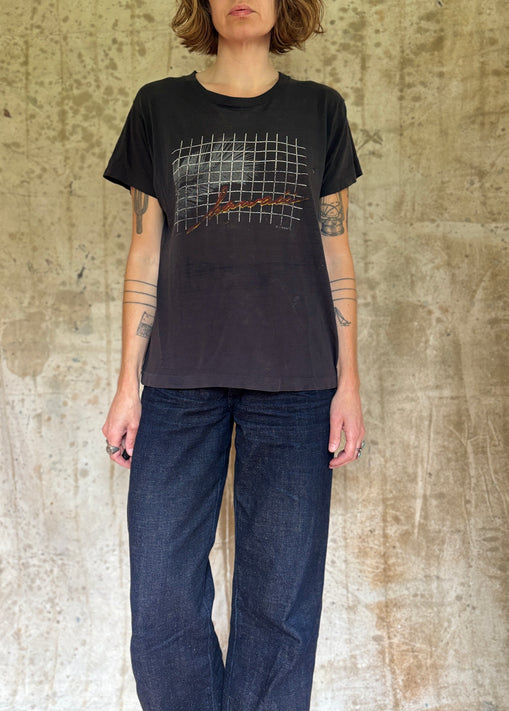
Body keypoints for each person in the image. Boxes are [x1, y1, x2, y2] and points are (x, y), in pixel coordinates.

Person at [102, 0, 365, 709]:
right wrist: (127, 385)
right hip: (178, 380)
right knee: (161, 591)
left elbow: (335, 251)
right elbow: (145, 249)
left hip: (299, 382)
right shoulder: (159, 107)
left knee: (281, 604)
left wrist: (348, 383)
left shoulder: (319, 110)